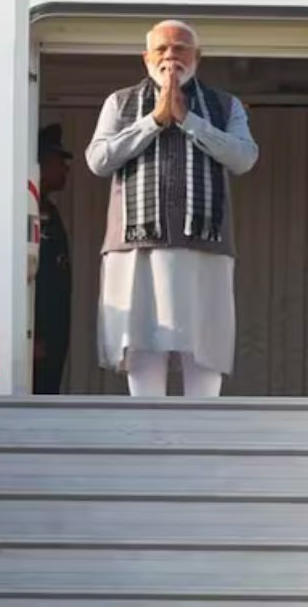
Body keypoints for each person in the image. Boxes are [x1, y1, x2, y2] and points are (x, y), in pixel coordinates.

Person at [85, 20, 259, 397]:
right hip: (135, 246)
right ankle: (147, 427)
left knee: (206, 346)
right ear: (146, 57)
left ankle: (202, 428)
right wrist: (154, 121)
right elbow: (98, 160)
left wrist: (188, 121)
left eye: (180, 48)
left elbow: (244, 157)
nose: (170, 56)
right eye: (161, 49)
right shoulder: (120, 102)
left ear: (197, 57)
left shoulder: (224, 104)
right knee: (142, 343)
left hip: (205, 246)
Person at [33, 123, 72, 395]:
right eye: (59, 161)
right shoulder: (26, 212)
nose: (65, 169)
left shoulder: (48, 210)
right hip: (39, 338)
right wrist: (33, 334)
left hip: (54, 333)